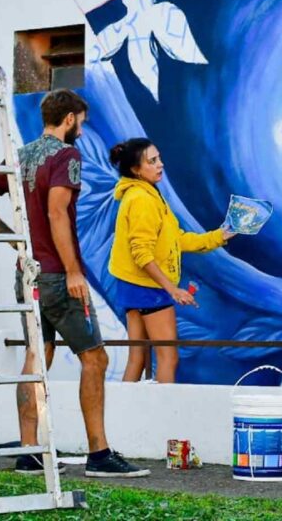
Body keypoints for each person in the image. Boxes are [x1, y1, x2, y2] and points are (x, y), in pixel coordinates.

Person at [0, 90, 148, 478]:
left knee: (37, 357)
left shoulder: (20, 155)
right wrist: (72, 271)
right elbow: (56, 213)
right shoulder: (66, 156)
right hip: (57, 275)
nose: (82, 129)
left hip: (29, 272)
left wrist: (14, 239)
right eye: (80, 122)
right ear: (69, 119)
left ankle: (30, 452)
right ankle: (100, 455)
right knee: (95, 358)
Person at [107, 137, 234, 383]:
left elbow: (177, 240)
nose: (160, 165)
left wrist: (220, 236)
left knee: (137, 357)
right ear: (136, 170)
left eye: (159, 158)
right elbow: (141, 253)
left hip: (134, 287)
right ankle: (165, 415)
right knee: (168, 358)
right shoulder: (142, 200)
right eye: (152, 161)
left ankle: (118, 416)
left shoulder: (145, 194)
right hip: (149, 290)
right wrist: (172, 289)